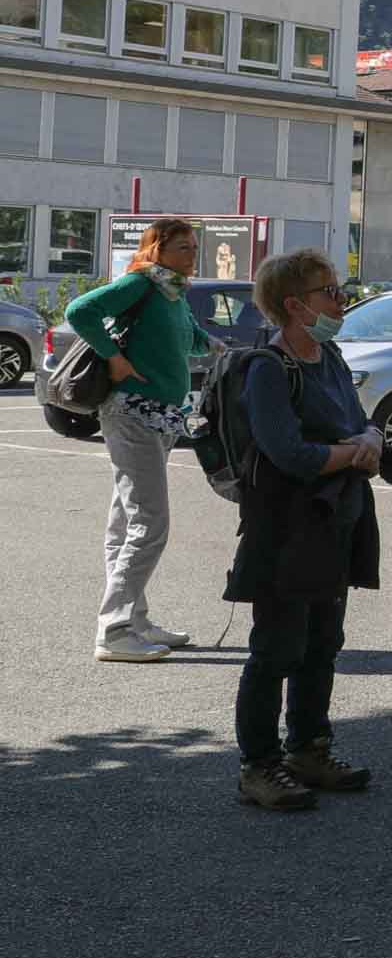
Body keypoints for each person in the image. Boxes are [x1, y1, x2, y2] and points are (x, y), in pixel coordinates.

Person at [228, 248, 385, 811]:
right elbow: (290, 454)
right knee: (277, 648)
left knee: (323, 643)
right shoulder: (268, 369)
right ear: (294, 305)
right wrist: (357, 450)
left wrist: (368, 436)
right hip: (285, 530)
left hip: (336, 522)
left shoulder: (330, 355)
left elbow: (357, 416)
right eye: (330, 292)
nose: (340, 301)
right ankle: (260, 767)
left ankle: (309, 750)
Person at [69, 216, 217, 662]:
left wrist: (223, 349)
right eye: (183, 248)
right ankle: (114, 631)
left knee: (126, 522)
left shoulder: (173, 292)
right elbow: (80, 312)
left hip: (160, 417)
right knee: (149, 523)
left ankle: (134, 619)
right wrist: (113, 359)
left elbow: (192, 343)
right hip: (132, 414)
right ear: (157, 249)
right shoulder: (142, 283)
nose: (192, 256)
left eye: (194, 248)